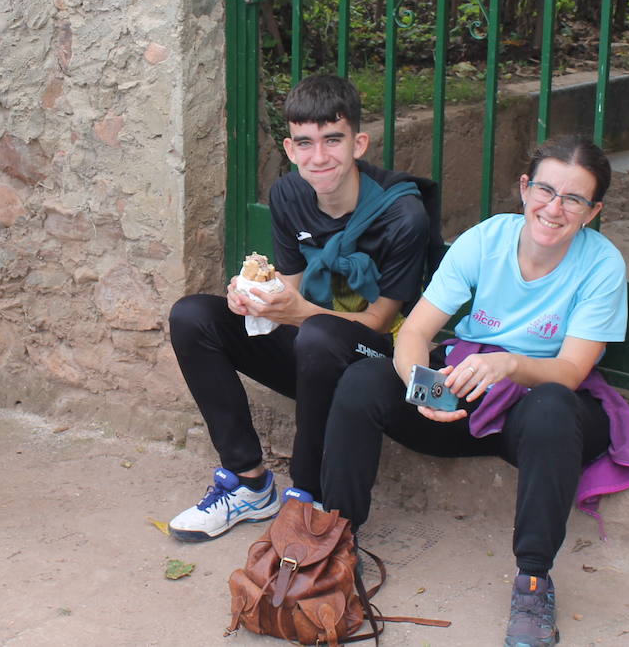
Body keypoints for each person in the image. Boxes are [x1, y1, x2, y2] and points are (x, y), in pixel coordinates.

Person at [320, 135, 629, 647]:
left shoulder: (601, 264)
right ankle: (336, 544)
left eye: (574, 199)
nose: (554, 208)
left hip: (539, 419)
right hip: (467, 399)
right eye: (545, 190)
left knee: (554, 408)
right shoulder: (487, 239)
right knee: (364, 379)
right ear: (524, 189)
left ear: (593, 211)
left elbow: (569, 371)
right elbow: (413, 334)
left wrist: (512, 363)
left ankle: (534, 581)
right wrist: (422, 389)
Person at [166, 74, 441, 541]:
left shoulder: (402, 216)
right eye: (305, 143)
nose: (319, 157)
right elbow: (290, 291)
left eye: (332, 140)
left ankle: (307, 496)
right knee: (192, 316)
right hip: (312, 349)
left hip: (372, 360)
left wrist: (297, 313)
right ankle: (250, 484)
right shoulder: (288, 194)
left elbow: (379, 323)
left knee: (317, 334)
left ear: (358, 143)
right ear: (291, 150)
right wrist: (256, 299)